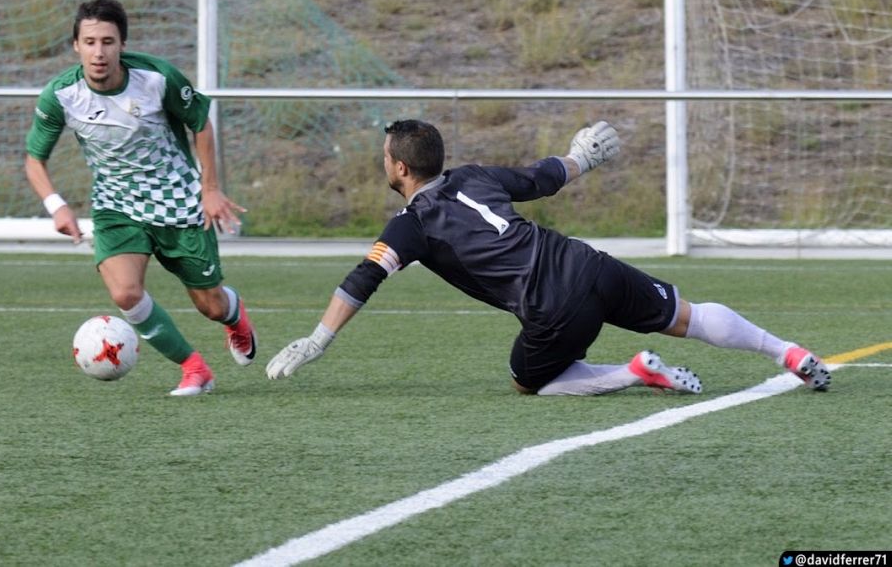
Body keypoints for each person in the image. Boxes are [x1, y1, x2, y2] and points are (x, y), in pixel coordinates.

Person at [265, 118, 832, 395]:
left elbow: (365, 276)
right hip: (586, 263)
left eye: (385, 158)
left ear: (400, 169)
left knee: (526, 381)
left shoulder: (411, 224)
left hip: (549, 306)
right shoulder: (474, 176)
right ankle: (789, 352)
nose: (384, 164)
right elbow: (544, 178)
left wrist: (319, 339)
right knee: (689, 314)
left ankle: (631, 374)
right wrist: (583, 156)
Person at [25, 0, 257, 396]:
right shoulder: (61, 95)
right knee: (125, 293)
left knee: (211, 306)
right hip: (117, 207)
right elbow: (34, 160)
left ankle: (235, 319)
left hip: (179, 204)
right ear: (76, 46)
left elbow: (200, 123)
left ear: (122, 45)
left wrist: (211, 189)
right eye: (91, 41)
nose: (99, 52)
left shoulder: (157, 78)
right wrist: (56, 204)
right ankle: (194, 368)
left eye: (108, 42)